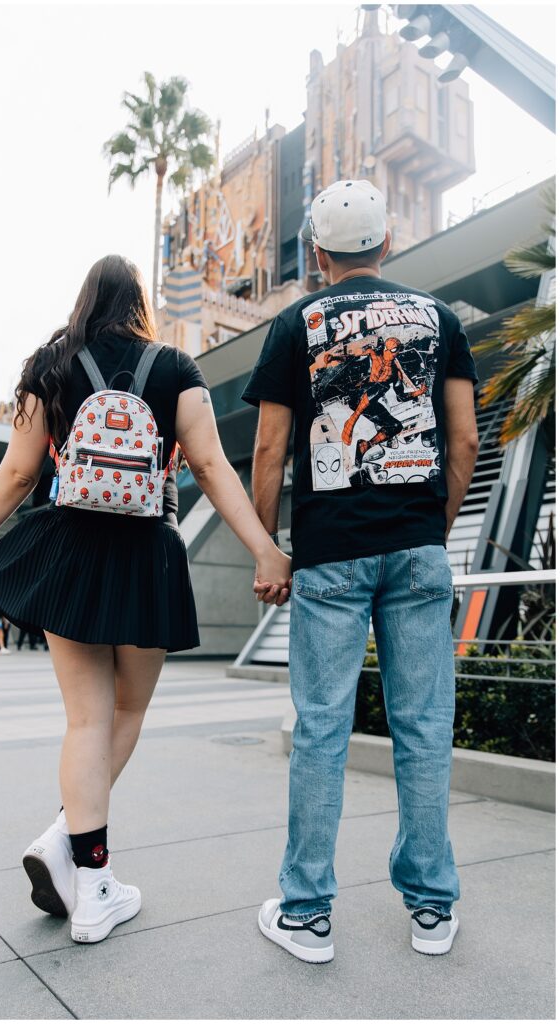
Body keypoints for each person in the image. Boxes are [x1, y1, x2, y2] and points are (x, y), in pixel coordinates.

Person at [0, 254, 291, 945]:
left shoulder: (51, 365)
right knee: (127, 710)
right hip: (145, 555)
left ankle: (79, 853)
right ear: (139, 304)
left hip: (69, 548)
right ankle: (87, 868)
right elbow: (211, 467)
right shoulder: (175, 370)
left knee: (84, 721)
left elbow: (17, 472)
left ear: (84, 300)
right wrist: (264, 547)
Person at [242, 180, 479, 963]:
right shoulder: (437, 319)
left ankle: (307, 911)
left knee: (321, 730)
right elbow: (467, 442)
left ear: (317, 252)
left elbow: (271, 449)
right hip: (415, 545)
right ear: (389, 242)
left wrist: (270, 548)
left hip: (331, 553)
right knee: (423, 729)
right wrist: (429, 532)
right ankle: (432, 906)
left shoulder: (295, 323)